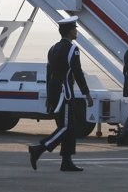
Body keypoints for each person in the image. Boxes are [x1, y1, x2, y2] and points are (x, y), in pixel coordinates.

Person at [28, 16, 94, 172]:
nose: (76, 31)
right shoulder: (72, 49)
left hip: (55, 90)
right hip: (66, 93)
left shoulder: (53, 48)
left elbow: (48, 72)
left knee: (70, 129)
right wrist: (87, 94)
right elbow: (77, 73)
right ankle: (39, 148)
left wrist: (50, 96)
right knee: (66, 127)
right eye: (75, 29)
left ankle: (66, 161)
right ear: (70, 31)